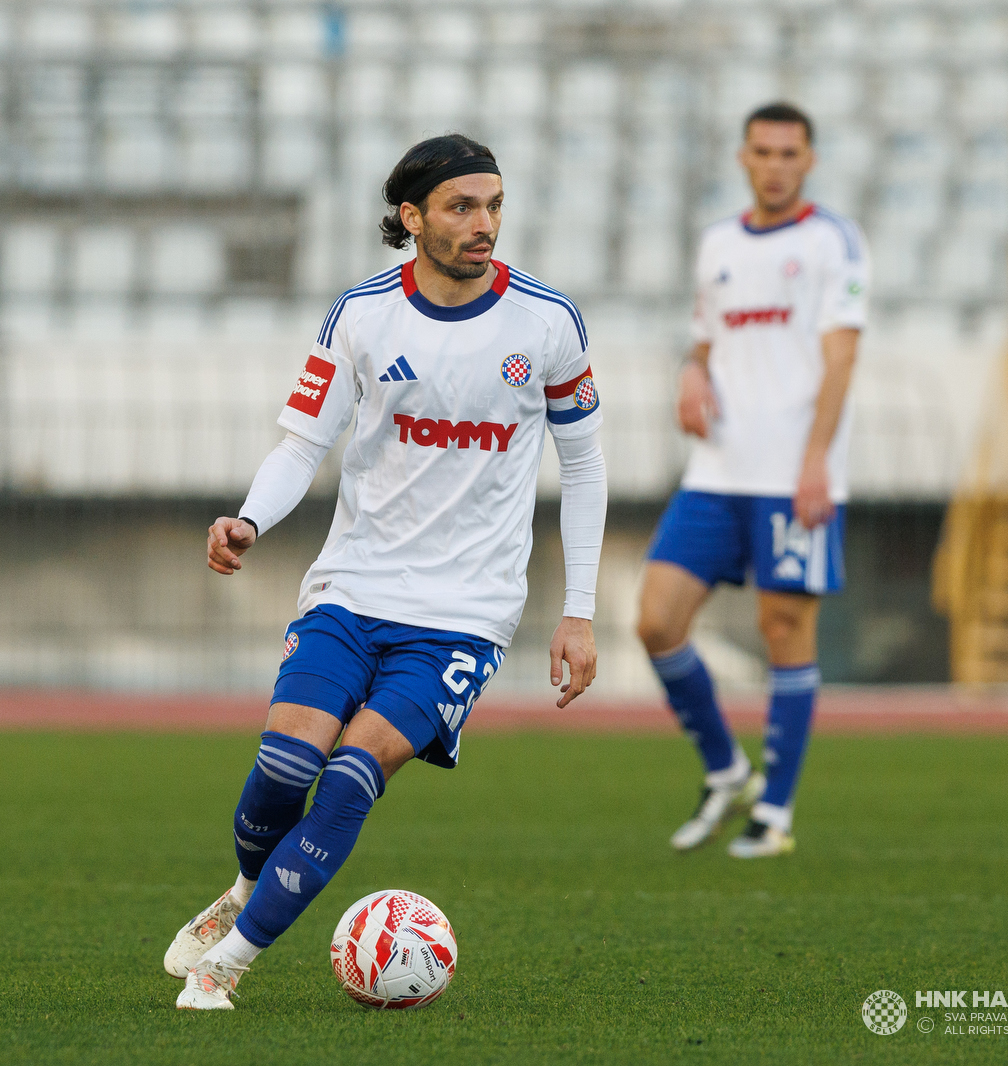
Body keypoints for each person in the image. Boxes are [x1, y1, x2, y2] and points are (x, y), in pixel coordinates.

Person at [163, 133, 608, 1009]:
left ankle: (228, 966)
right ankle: (250, 890)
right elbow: (303, 445)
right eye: (462, 207)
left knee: (352, 775)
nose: (484, 225)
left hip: (467, 613)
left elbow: (585, 468)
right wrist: (250, 517)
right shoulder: (361, 314)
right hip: (353, 587)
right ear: (412, 218)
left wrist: (580, 610)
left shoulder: (547, 322)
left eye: (493, 206)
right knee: (286, 767)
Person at [636, 102, 869, 859]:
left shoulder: (832, 242)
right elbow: (704, 342)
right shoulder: (718, 245)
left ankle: (774, 811)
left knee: (784, 633)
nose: (775, 164)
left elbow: (840, 359)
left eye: (788, 152)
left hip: (791, 477)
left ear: (809, 160)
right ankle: (725, 767)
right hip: (716, 472)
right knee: (657, 620)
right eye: (762, 152)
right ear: (743, 158)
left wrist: (815, 465)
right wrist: (689, 377)